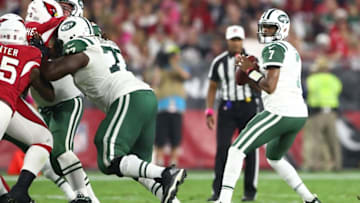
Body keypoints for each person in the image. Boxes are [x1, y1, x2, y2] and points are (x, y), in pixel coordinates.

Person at [34, 16, 186, 203]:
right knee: (139, 168)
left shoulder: (82, 52)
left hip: (129, 97)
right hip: (145, 95)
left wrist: (38, 52)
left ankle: (166, 172)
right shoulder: (103, 45)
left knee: (107, 155)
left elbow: (50, 72)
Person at [215, 9, 321, 203]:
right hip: (297, 114)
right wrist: (250, 77)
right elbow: (265, 86)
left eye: (271, 28)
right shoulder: (291, 50)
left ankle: (223, 200)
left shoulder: (274, 48)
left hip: (280, 112)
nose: (266, 32)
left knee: (236, 150)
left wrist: (249, 71)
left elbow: (270, 86)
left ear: (282, 28)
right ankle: (310, 199)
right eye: (264, 27)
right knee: (274, 157)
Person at [27, 0, 100, 202]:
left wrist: (42, 48)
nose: (63, 10)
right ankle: (76, 195)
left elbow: (60, 55)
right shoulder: (38, 27)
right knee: (45, 157)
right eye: (60, 6)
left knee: (61, 151)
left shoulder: (75, 28)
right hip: (44, 103)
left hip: (67, 98)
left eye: (67, 6)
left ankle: (87, 198)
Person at [0, 14, 54, 203]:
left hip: (6, 106)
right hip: (4, 105)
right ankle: (17, 191)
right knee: (44, 139)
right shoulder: (30, 52)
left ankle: (9, 196)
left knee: (42, 136)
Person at [205, 25, 260, 202]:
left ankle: (249, 192)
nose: (236, 43)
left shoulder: (252, 60)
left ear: (242, 40)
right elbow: (212, 87)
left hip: (248, 106)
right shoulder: (219, 62)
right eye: (232, 39)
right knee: (222, 148)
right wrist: (209, 110)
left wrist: (248, 74)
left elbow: (260, 85)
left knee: (250, 149)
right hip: (227, 108)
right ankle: (218, 191)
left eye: (238, 39)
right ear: (227, 41)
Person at [152, 44, 190, 166]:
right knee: (160, 140)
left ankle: (173, 165)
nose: (175, 56)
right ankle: (159, 164)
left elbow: (185, 76)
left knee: (175, 140)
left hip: (177, 108)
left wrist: (174, 64)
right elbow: (155, 82)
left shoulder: (182, 67)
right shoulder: (161, 68)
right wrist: (159, 65)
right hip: (162, 107)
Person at [303, 56, 342, 171]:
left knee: (313, 140)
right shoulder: (334, 80)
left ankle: (312, 164)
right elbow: (338, 91)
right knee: (333, 141)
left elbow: (305, 93)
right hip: (331, 113)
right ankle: (336, 165)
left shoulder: (312, 80)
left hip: (316, 113)